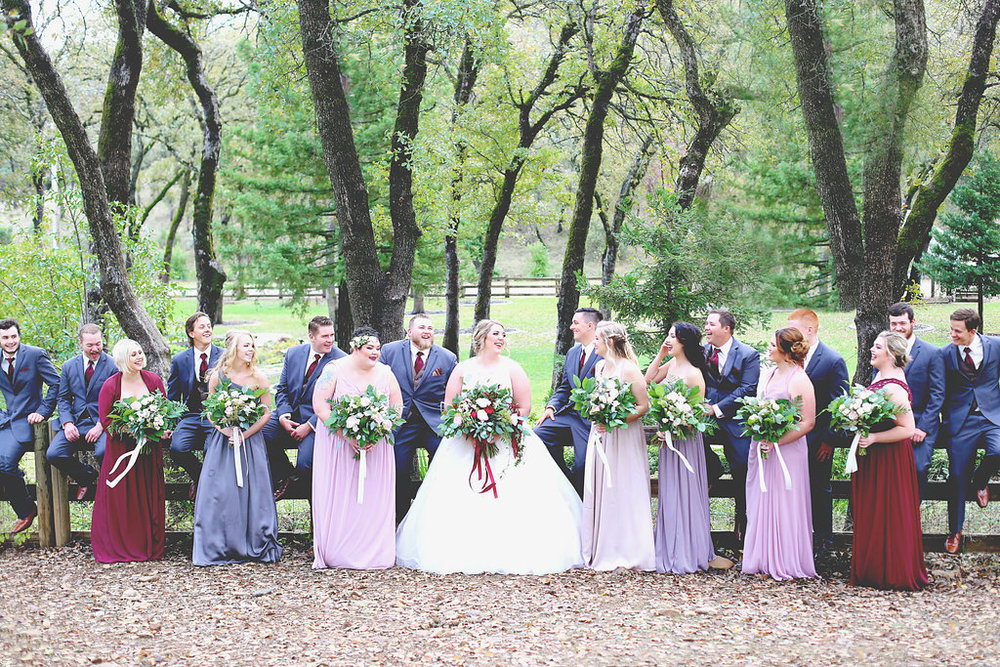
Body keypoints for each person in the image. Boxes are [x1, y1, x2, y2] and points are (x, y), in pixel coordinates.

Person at [396, 320, 584, 574]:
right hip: (465, 442)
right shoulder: (463, 368)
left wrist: (501, 427)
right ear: (481, 337)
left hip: (507, 439)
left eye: (504, 335)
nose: (501, 338)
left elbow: (524, 406)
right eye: (496, 334)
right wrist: (469, 427)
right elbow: (451, 407)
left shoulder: (512, 368)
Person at [311, 327, 403, 569]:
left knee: (372, 496)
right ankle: (338, 550)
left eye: (378, 348)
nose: (375, 353)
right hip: (339, 447)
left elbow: (397, 406)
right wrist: (345, 435)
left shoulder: (385, 373)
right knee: (343, 494)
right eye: (369, 348)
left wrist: (380, 430)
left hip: (376, 448)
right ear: (355, 347)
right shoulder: (334, 370)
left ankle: (374, 552)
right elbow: (320, 407)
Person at [193, 330, 282, 566]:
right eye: (246, 346)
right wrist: (224, 430)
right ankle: (219, 543)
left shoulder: (259, 378)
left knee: (253, 491)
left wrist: (245, 434)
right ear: (233, 349)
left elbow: (266, 413)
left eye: (252, 345)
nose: (251, 350)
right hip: (223, 443)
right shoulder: (218, 377)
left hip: (250, 443)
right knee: (221, 491)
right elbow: (211, 410)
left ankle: (253, 539)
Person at [851, 331, 927, 590]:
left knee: (889, 510)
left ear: (892, 354)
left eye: (878, 347)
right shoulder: (882, 378)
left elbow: (907, 428)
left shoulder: (893, 387)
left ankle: (892, 571)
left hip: (889, 458)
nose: (872, 350)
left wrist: (873, 437)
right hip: (875, 456)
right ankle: (874, 568)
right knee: (874, 509)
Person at [743, 327, 817, 580]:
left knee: (784, 501)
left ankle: (785, 559)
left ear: (786, 351)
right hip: (763, 446)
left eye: (773, 345)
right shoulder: (770, 373)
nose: (769, 348)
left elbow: (807, 422)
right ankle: (762, 556)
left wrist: (778, 441)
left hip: (787, 451)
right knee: (761, 498)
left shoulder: (798, 379)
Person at [645, 322, 717, 574]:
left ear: (684, 342)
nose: (668, 339)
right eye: (668, 335)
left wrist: (673, 427)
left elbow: (695, 413)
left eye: (673, 337)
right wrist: (661, 354)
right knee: (669, 491)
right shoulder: (672, 364)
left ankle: (687, 550)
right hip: (668, 441)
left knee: (684, 491)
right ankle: (668, 546)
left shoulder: (693, 373)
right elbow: (648, 380)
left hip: (684, 442)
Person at [582, 321, 654, 571]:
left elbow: (643, 406)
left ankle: (630, 550)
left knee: (624, 486)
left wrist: (615, 420)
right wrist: (597, 413)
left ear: (610, 342)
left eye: (598, 340)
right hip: (602, 435)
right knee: (605, 488)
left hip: (623, 436)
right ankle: (604, 546)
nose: (594, 343)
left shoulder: (629, 369)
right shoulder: (599, 367)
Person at [91, 339, 168, 563]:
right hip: (122, 452)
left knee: (147, 495)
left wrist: (158, 429)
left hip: (148, 450)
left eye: (140, 353)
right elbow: (106, 420)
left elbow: (163, 410)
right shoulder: (111, 385)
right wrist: (130, 431)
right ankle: (120, 544)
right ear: (123, 359)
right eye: (133, 354)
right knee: (122, 498)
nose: (139, 357)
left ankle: (147, 544)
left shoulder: (152, 380)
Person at [379, 314, 457, 523]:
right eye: (422, 327)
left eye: (431, 328)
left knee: (443, 461)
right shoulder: (389, 351)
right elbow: (377, 381)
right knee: (398, 467)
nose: (427, 331)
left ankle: (432, 515)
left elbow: (454, 392)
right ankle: (401, 517)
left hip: (433, 422)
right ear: (409, 331)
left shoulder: (447, 358)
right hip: (400, 420)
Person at [786, 308, 849, 558]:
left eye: (795, 328)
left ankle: (824, 543)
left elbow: (839, 405)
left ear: (810, 330)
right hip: (791, 438)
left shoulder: (832, 360)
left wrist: (829, 440)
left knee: (819, 489)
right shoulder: (788, 358)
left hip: (818, 440)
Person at [266, 315, 346, 500]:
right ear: (311, 336)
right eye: (325, 336)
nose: (330, 340)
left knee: (305, 464)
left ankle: (307, 494)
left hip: (317, 421)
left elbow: (337, 403)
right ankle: (285, 474)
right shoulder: (293, 353)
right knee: (259, 433)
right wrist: (283, 416)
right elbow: (283, 389)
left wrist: (308, 426)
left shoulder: (341, 360)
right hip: (289, 414)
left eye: (332, 335)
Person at [941, 308, 1000, 554]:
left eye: (957, 331)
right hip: (960, 421)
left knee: (997, 452)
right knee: (956, 475)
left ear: (972, 331)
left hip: (991, 416)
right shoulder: (944, 354)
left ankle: (980, 481)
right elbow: (939, 387)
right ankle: (955, 530)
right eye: (951, 329)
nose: (952, 334)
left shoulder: (995, 346)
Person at [702, 308, 760, 543]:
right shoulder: (701, 352)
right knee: (692, 448)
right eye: (705, 323)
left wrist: (717, 408)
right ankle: (714, 468)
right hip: (704, 417)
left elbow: (747, 389)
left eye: (711, 324)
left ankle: (743, 519)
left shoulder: (748, 354)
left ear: (726, 329)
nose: (706, 327)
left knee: (742, 466)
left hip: (735, 419)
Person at [535, 307, 603, 496]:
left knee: (582, 465)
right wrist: (551, 406)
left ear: (590, 326)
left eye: (576, 323)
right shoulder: (573, 353)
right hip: (570, 415)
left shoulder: (605, 352)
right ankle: (566, 482)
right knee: (538, 435)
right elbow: (565, 387)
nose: (571, 327)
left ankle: (582, 504)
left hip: (592, 420)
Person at [0, 318, 59, 533]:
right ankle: (24, 503)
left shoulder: (35, 355)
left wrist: (42, 412)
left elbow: (56, 384)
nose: (10, 341)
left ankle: (25, 511)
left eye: (13, 336)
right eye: (5, 337)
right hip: (7, 421)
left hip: (29, 423)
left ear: (19, 336)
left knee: (5, 465)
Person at [47, 323, 115, 501]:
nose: (95, 349)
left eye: (98, 344)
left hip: (102, 423)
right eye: (90, 345)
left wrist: (101, 424)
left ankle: (109, 492)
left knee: (102, 453)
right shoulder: (69, 366)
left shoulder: (113, 365)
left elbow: (118, 401)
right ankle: (85, 476)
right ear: (80, 344)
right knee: (53, 454)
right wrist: (67, 423)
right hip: (76, 422)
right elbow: (63, 398)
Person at [888, 302, 945, 500]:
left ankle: (912, 516)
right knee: (888, 473)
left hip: (920, 424)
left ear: (913, 323)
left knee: (918, 468)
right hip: (890, 424)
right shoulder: (884, 351)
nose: (897, 328)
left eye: (902, 323)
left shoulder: (931, 353)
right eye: (893, 324)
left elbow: (938, 393)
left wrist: (923, 428)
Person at [167, 312, 223, 499]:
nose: (208, 330)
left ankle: (209, 489)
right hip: (190, 415)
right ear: (191, 333)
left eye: (209, 326)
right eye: (202, 327)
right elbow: (173, 397)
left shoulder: (224, 356)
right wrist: (171, 425)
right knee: (177, 448)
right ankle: (199, 476)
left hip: (215, 416)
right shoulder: (180, 359)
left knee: (210, 449)